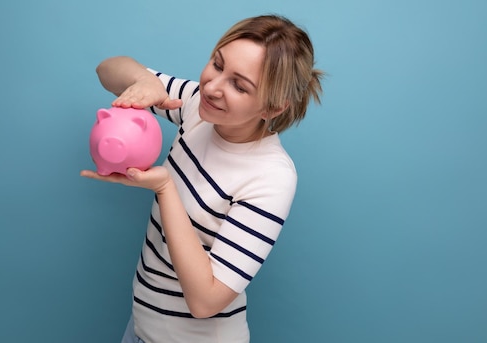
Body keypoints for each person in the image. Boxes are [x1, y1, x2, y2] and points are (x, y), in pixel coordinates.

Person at [81, 14, 323, 343]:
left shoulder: (271, 176)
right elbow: (107, 69)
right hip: (142, 327)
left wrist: (165, 189)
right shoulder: (197, 104)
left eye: (239, 85)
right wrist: (145, 81)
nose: (213, 87)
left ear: (273, 109)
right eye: (217, 63)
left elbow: (206, 302)